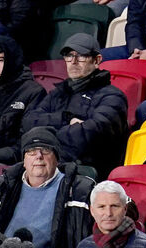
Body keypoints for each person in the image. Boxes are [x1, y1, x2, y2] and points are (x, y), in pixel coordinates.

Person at [0, 128, 95, 248]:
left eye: (46, 150)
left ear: (57, 158)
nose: (39, 156)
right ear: (24, 160)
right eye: (31, 151)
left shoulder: (80, 189)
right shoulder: (2, 186)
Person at [21, 34, 127, 177]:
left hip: (85, 173)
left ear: (97, 60)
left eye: (81, 56)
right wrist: (66, 119)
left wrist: (45, 137)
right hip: (50, 166)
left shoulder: (112, 96)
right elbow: (28, 121)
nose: (73, 62)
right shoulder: (58, 93)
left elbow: (90, 136)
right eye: (69, 56)